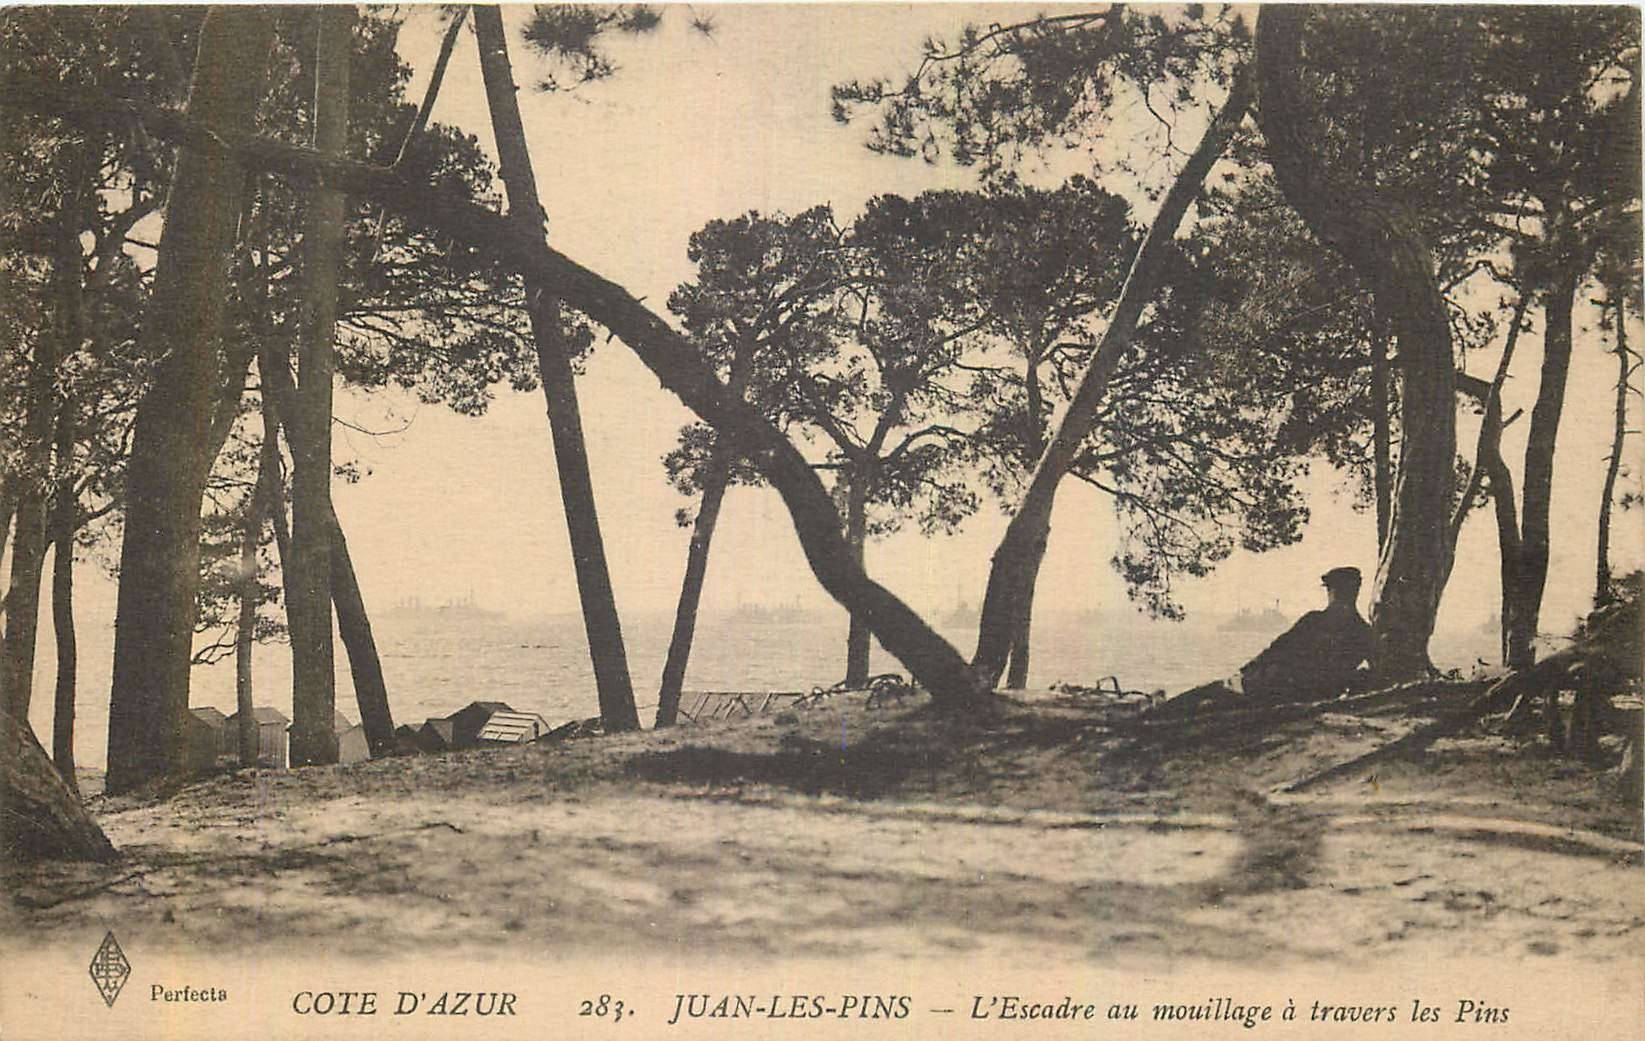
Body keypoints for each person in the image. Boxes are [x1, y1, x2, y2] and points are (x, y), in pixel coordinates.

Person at [1238, 566, 1373, 701]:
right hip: (1323, 694)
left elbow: (1278, 648)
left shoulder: (1314, 620)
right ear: (1356, 592)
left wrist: (1248, 669)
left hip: (1285, 689)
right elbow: (1377, 670)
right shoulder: (1365, 632)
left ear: (1332, 591)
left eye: (1330, 589)